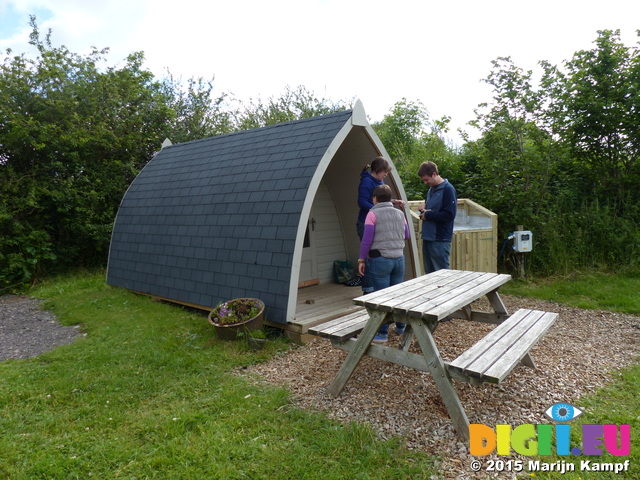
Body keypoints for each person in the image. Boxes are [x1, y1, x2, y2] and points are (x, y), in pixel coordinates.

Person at [357, 184, 410, 343]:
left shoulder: (372, 214)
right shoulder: (400, 214)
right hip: (399, 259)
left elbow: (367, 240)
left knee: (381, 297)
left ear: (375, 198)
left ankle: (382, 332)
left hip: (380, 259)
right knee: (397, 295)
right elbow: (406, 235)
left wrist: (361, 259)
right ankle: (401, 326)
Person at [356, 157, 391, 293]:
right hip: (365, 223)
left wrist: (392, 202)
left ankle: (376, 288)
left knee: (375, 256)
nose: (386, 175)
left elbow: (381, 201)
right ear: (377, 170)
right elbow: (362, 202)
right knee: (367, 256)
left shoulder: (380, 181)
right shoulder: (366, 182)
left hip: (376, 222)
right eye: (384, 172)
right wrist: (377, 211)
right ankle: (368, 289)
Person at [417, 161, 457, 274]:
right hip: (428, 237)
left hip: (440, 238)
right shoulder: (431, 190)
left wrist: (428, 215)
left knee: (442, 274)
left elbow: (450, 214)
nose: (425, 183)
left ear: (434, 174)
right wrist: (424, 208)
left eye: (426, 179)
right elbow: (434, 209)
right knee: (429, 275)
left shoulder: (448, 189)